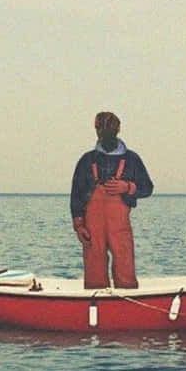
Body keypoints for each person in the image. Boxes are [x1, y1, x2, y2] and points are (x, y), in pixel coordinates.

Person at [70, 111, 154, 288]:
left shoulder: (132, 159)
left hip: (120, 227)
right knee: (94, 268)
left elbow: (147, 188)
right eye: (99, 128)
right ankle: (96, 302)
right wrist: (79, 224)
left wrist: (128, 187)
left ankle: (126, 303)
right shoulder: (86, 160)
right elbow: (76, 194)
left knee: (125, 264)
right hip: (92, 228)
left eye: (108, 128)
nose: (103, 133)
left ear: (118, 129)